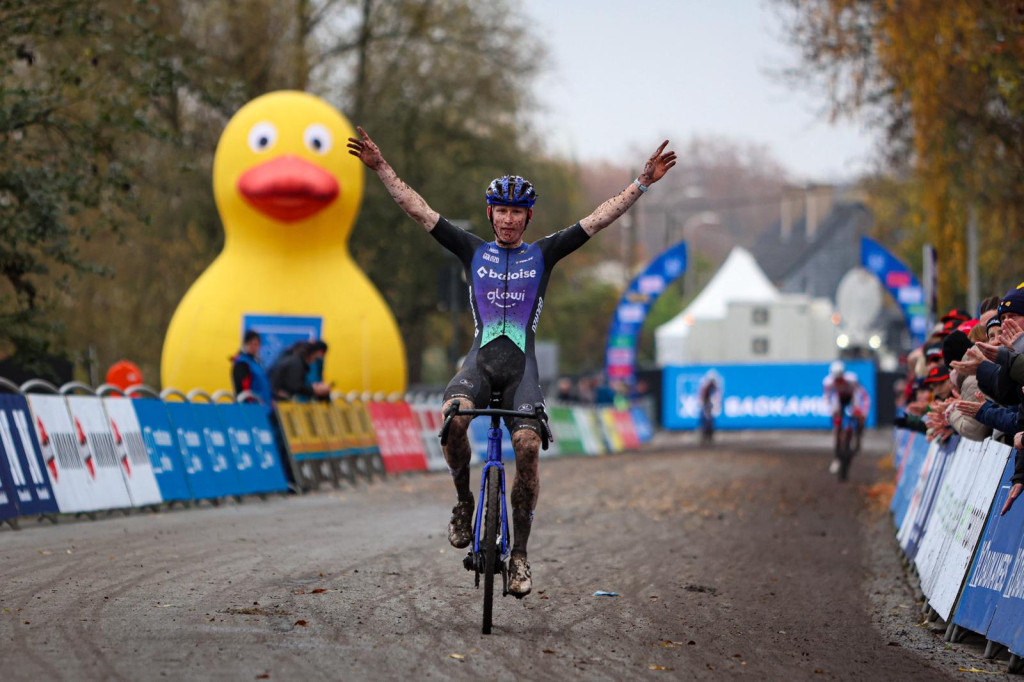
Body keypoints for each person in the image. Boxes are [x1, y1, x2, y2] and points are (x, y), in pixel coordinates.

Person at [347, 126, 675, 597]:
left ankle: (519, 555)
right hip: (479, 364)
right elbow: (418, 210)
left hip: (523, 369)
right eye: (500, 211)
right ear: (490, 213)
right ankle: (463, 503)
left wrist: (641, 183)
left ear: (527, 217)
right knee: (454, 419)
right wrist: (382, 168)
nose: (507, 220)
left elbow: (597, 220)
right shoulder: (471, 249)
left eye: (516, 212)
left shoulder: (544, 253)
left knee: (525, 449)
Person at [823, 360, 869, 471]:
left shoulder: (852, 379)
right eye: (836, 379)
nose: (838, 382)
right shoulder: (828, 382)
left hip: (851, 399)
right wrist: (832, 411)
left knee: (859, 418)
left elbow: (862, 394)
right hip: (839, 400)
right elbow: (828, 397)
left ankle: (858, 436)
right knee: (837, 428)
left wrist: (862, 411)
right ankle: (837, 457)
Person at [231, 330, 273, 411]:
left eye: (256, 344)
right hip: (251, 408)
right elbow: (243, 387)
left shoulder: (258, 363)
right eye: (250, 344)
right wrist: (249, 404)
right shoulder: (242, 363)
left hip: (264, 406)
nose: (253, 347)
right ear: (245, 344)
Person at [698, 376, 717, 445]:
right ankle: (706, 436)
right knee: (707, 421)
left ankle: (708, 437)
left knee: (709, 421)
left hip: (708, 406)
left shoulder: (711, 388)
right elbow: (703, 397)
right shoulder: (707, 388)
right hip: (707, 405)